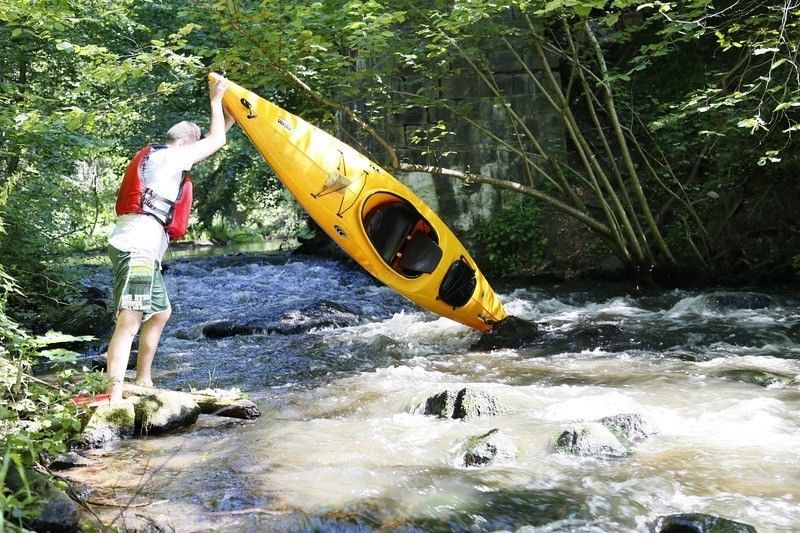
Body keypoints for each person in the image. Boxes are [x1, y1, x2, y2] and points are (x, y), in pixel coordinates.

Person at [105, 74, 234, 402]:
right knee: (130, 320)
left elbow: (215, 138)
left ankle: (143, 379)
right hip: (139, 251)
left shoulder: (162, 158)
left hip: (141, 250)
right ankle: (113, 395)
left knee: (160, 312)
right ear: (187, 145)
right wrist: (216, 100)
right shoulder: (170, 157)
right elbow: (215, 142)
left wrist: (226, 122)